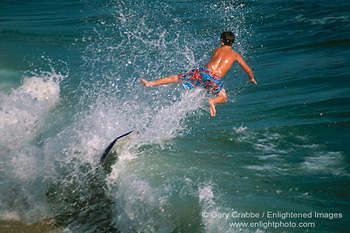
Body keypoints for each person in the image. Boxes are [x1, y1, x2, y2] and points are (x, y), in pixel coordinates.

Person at [140, 31, 257, 117]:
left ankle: (150, 83)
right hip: (215, 78)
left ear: (221, 41)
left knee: (177, 77)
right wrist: (251, 78)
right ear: (233, 43)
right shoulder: (236, 55)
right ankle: (213, 101)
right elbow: (247, 69)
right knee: (223, 97)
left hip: (203, 71)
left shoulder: (216, 50)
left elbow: (214, 60)